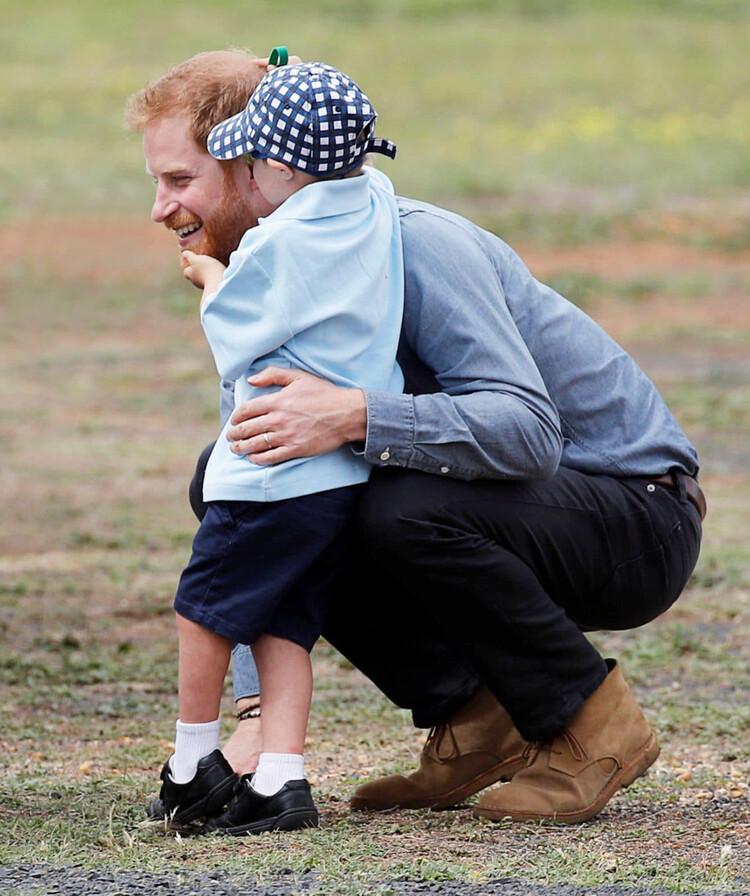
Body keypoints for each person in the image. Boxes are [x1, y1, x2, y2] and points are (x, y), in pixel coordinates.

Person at [126, 47, 704, 830]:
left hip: (634, 510)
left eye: (179, 180)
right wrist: (256, 712)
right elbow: (252, 504)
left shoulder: (412, 243)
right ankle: (475, 720)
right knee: (245, 473)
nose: (161, 209)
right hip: (517, 505)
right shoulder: (283, 264)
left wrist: (356, 414)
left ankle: (592, 726)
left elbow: (530, 433)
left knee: (397, 505)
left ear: (253, 163)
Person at [133, 59, 403, 835]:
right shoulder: (376, 200)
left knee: (203, 610)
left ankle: (191, 761)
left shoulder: (279, 243)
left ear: (280, 169)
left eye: (251, 161)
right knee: (283, 624)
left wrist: (216, 280)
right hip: (337, 478)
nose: (245, 173)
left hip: (268, 472)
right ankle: (282, 776)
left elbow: (237, 335)